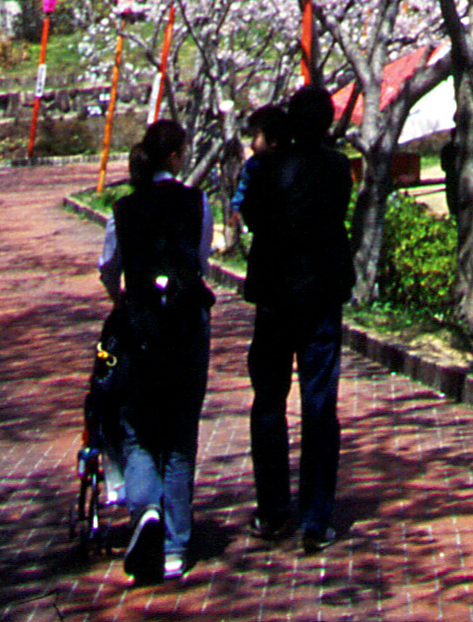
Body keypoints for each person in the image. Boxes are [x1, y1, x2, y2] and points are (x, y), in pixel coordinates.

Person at [99, 118, 213, 585]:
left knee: (140, 429)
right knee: (181, 433)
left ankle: (145, 510)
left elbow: (109, 266)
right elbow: (202, 261)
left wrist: (121, 298)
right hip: (187, 324)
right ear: (174, 156)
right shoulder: (196, 201)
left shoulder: (123, 209)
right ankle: (175, 546)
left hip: (140, 326)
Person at [240, 81, 353, 552]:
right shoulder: (337, 168)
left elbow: (251, 217)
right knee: (319, 405)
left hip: (274, 298)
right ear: (327, 122)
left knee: (268, 401)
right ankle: (315, 517)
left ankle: (272, 511)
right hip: (321, 297)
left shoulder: (264, 169)